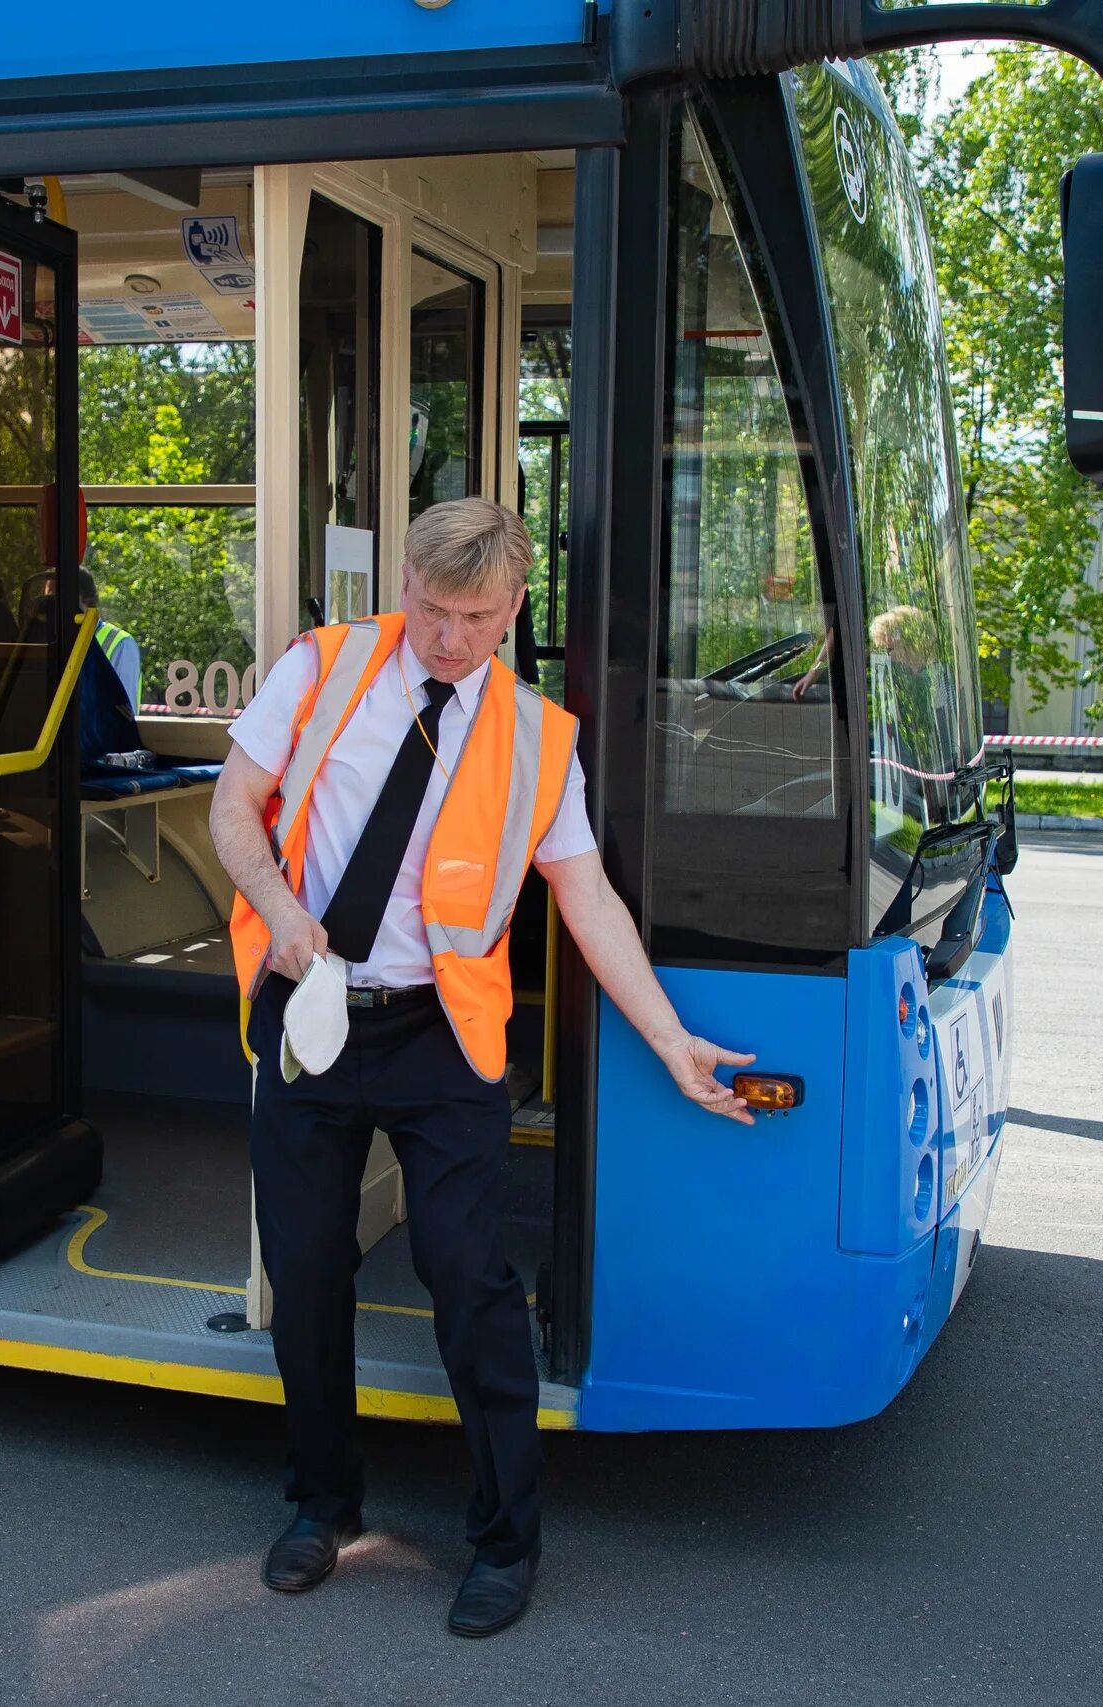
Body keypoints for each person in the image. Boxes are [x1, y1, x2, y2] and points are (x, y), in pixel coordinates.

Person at [210, 496, 755, 1639]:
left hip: (439, 1039)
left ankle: (506, 1543)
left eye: (473, 617)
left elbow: (587, 898)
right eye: (427, 605)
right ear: (402, 579)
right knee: (305, 1274)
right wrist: (278, 910)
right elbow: (232, 807)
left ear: (513, 609)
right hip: (312, 1012)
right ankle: (321, 1506)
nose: (445, 637)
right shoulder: (318, 668)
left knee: (469, 1279)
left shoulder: (536, 736)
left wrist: (669, 1039)